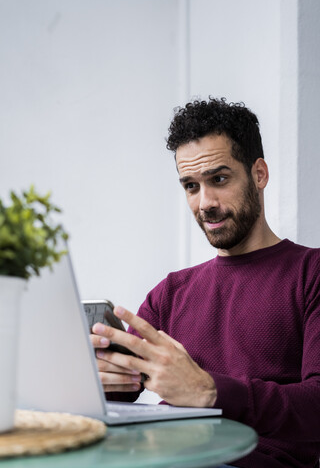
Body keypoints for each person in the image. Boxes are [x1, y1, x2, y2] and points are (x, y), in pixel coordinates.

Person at [90, 98, 320, 468]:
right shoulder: (171, 292)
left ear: (258, 174)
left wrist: (208, 391)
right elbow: (123, 393)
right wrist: (106, 379)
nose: (205, 203)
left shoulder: (311, 273)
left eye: (219, 179)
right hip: (164, 457)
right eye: (191, 186)